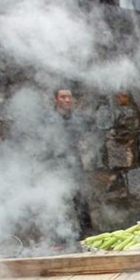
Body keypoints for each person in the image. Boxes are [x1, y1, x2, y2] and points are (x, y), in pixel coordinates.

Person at [45, 88, 92, 239]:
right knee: (56, 200)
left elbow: (84, 140)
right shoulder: (47, 119)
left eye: (69, 97)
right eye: (63, 97)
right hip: (54, 165)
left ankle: (86, 233)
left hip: (74, 164)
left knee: (81, 200)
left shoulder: (78, 119)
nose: (67, 100)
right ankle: (58, 236)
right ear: (56, 99)